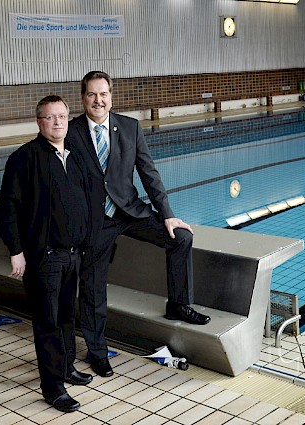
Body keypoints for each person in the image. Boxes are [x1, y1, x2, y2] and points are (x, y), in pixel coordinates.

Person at [68, 71, 211, 378]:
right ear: (83, 98)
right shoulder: (71, 132)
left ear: (111, 96)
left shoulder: (129, 127)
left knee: (180, 239)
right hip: (95, 221)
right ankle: (97, 351)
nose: (98, 100)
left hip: (130, 212)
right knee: (93, 284)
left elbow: (149, 173)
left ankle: (178, 305)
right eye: (92, 95)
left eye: (103, 94)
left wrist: (167, 214)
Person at [0, 95, 93, 413]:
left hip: (72, 254)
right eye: (50, 117)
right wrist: (16, 251)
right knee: (48, 322)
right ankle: (52, 388)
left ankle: (65, 368)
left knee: (66, 317)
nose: (57, 122)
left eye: (62, 116)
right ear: (39, 122)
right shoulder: (25, 159)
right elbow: (6, 209)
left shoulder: (74, 155)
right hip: (44, 257)